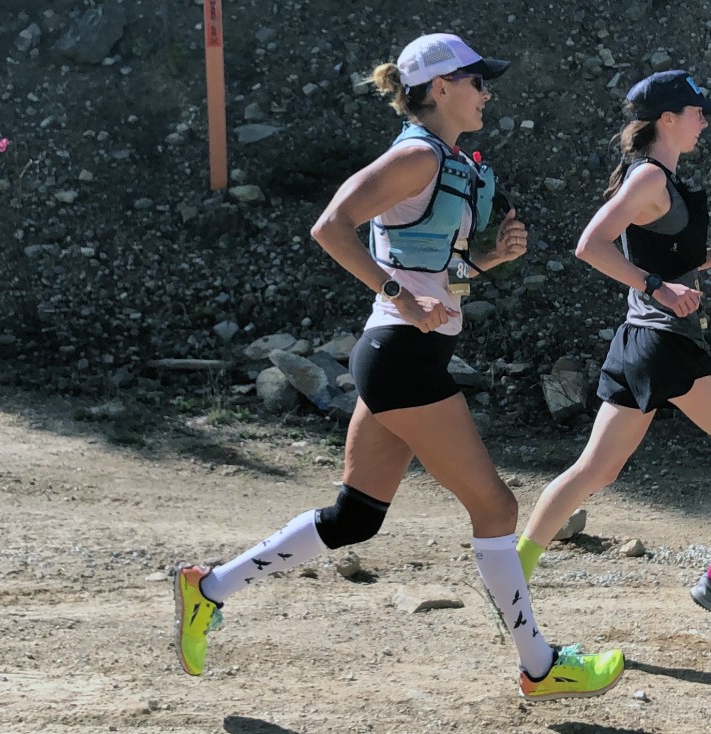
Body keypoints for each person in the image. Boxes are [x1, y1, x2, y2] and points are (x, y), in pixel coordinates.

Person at [174, 32, 624, 701]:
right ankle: (540, 665)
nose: (486, 93)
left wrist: (490, 260)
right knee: (497, 508)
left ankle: (207, 588)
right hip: (402, 358)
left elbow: (432, 271)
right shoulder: (417, 156)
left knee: (355, 517)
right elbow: (331, 226)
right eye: (476, 81)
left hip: (398, 356)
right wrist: (394, 295)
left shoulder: (440, 159)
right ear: (440, 87)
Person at [516, 70, 711, 633]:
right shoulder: (649, 179)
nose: (704, 121)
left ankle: (512, 573)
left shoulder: (663, 180)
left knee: (595, 470)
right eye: (696, 112)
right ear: (667, 119)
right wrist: (657, 288)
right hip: (663, 344)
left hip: (645, 344)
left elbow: (663, 255)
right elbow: (590, 246)